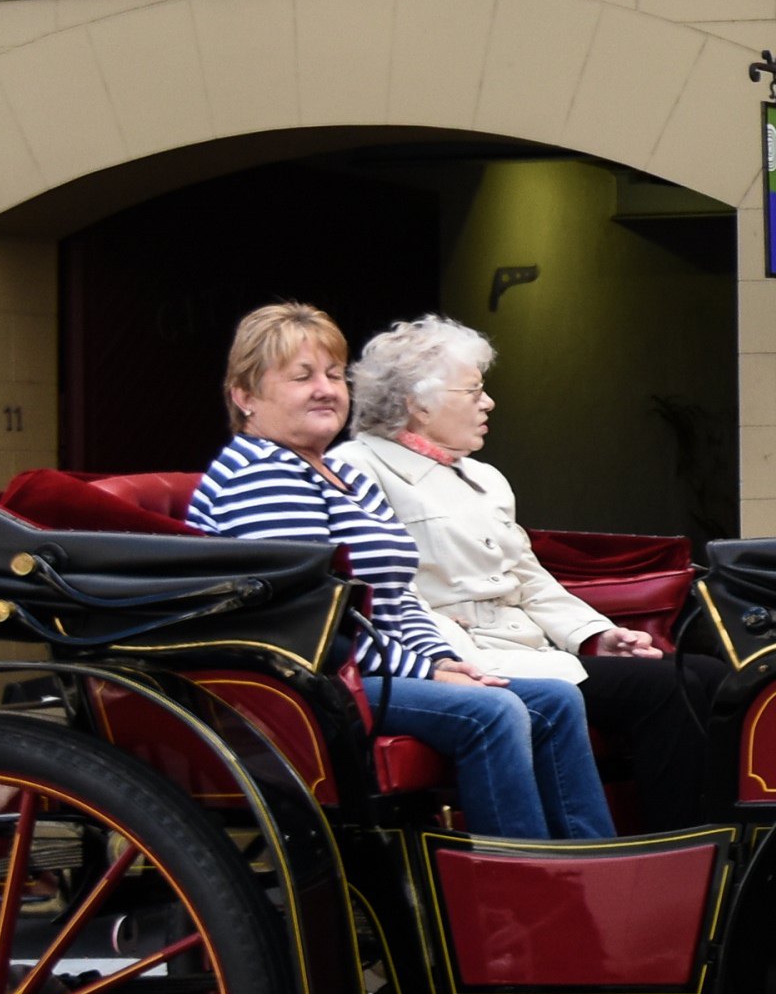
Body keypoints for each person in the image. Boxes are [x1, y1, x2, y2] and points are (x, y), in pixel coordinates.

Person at [184, 301, 614, 840]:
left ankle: (588, 864)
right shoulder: (264, 473)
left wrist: (437, 656)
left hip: (366, 669)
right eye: (302, 377)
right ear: (244, 397)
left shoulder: (336, 476)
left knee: (554, 698)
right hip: (313, 678)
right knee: (494, 711)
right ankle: (518, 893)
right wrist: (421, 670)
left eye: (334, 375)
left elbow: (397, 594)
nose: (325, 389)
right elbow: (314, 615)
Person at [336, 315, 721, 831]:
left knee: (710, 677)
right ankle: (676, 847)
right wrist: (450, 657)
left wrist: (595, 635)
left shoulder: (484, 477)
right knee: (663, 690)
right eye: (473, 390)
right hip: (467, 653)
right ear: (416, 403)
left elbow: (530, 577)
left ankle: (717, 849)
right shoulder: (359, 467)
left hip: (530, 645)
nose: (488, 402)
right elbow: (388, 590)